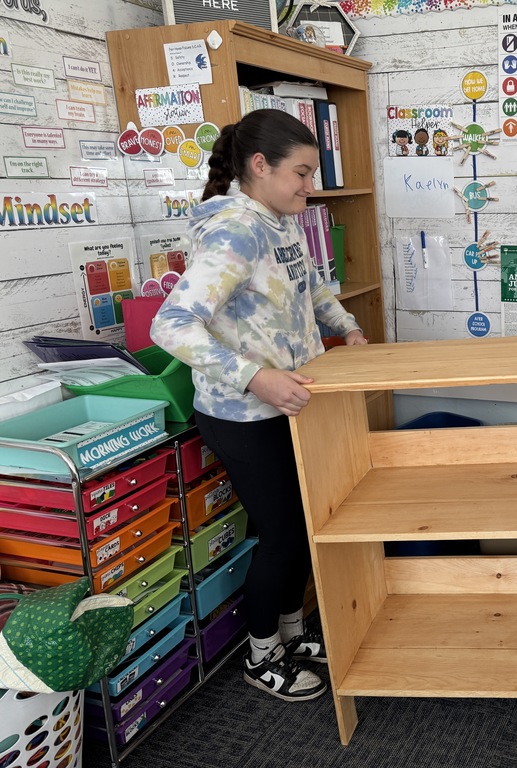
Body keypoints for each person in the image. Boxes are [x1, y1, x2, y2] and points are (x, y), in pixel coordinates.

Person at [150, 109, 368, 703]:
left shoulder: (279, 221)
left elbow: (311, 286)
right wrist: (255, 378)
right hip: (243, 414)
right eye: (300, 172)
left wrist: (345, 329)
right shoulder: (235, 231)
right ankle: (260, 651)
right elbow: (170, 326)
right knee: (285, 532)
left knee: (306, 524)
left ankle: (292, 631)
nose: (310, 186)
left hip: (290, 403)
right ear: (258, 166)